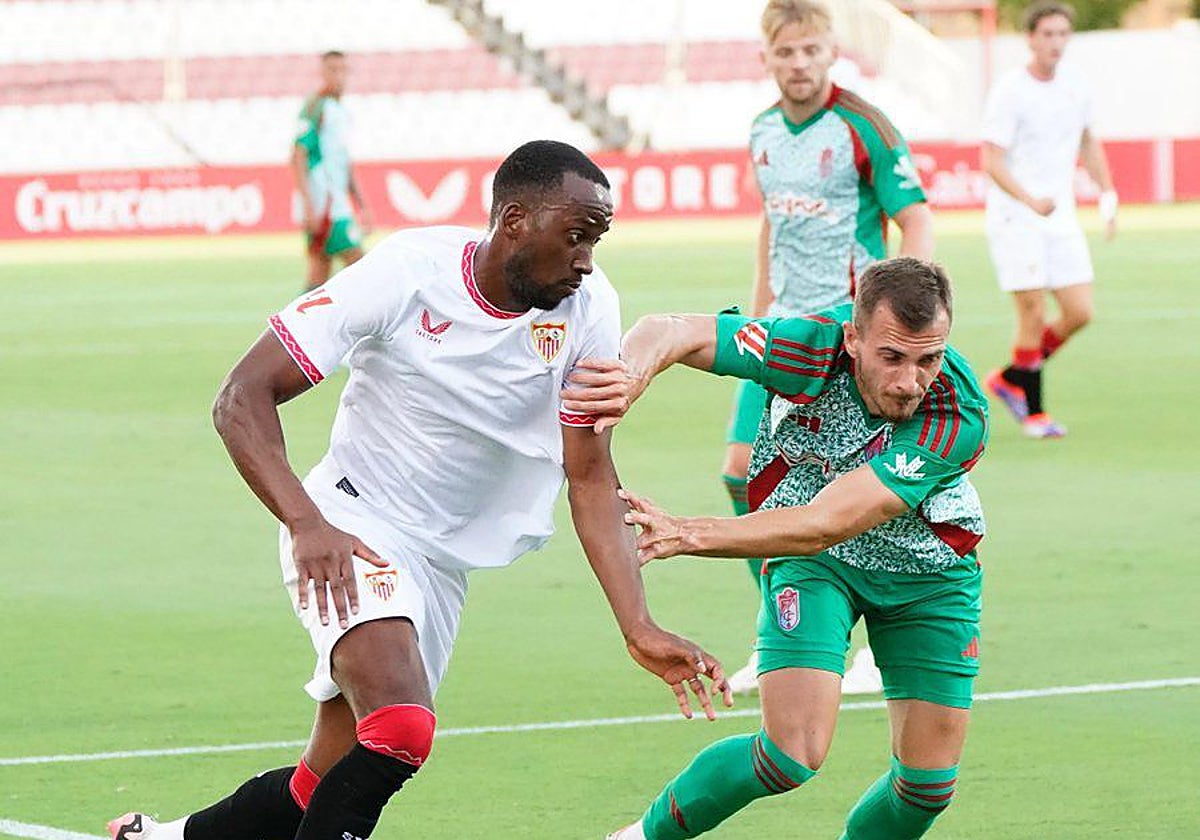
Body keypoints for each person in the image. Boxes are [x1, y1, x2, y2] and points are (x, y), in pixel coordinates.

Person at [107, 141, 729, 840]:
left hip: (442, 562)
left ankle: (162, 838)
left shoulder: (588, 309)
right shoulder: (408, 273)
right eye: (577, 237)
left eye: (597, 240)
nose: (587, 260)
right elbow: (241, 397)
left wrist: (637, 625)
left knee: (327, 775)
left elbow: (587, 474)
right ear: (515, 220)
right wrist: (307, 524)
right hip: (352, 524)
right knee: (401, 725)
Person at [565, 258, 988, 840]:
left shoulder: (958, 411)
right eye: (891, 357)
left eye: (928, 359)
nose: (910, 381)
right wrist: (631, 375)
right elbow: (670, 328)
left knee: (926, 790)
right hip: (818, 567)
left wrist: (688, 532)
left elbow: (829, 520)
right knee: (790, 754)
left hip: (928, 574)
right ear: (853, 338)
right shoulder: (806, 347)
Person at [724, 0, 935, 696]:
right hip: (782, 333)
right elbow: (770, 225)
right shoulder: (760, 131)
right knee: (739, 472)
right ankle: (780, 627)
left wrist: (903, 326)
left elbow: (915, 222)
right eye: (786, 52)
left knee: (859, 493)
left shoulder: (864, 127)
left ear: (830, 53)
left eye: (811, 50)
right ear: (767, 57)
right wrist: (755, 319)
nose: (800, 64)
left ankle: (874, 642)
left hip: (848, 335)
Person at [981, 0, 1116, 438]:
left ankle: (1009, 378)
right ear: (1031, 38)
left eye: (1063, 34)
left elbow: (1088, 142)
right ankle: (1034, 411)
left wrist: (1107, 193)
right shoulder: (1010, 91)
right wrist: (1028, 199)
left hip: (1060, 218)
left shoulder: (1076, 85)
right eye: (1048, 34)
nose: (1056, 42)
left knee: (1079, 311)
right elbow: (992, 159)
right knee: (1033, 311)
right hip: (1015, 217)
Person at [293, 50, 374, 291]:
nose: (338, 76)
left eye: (343, 70)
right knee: (364, 269)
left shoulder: (341, 112)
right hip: (324, 206)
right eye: (332, 70)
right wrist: (308, 206)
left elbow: (343, 163)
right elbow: (297, 155)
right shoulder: (315, 107)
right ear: (322, 73)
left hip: (336, 202)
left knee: (319, 274)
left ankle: (297, 326)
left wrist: (361, 204)